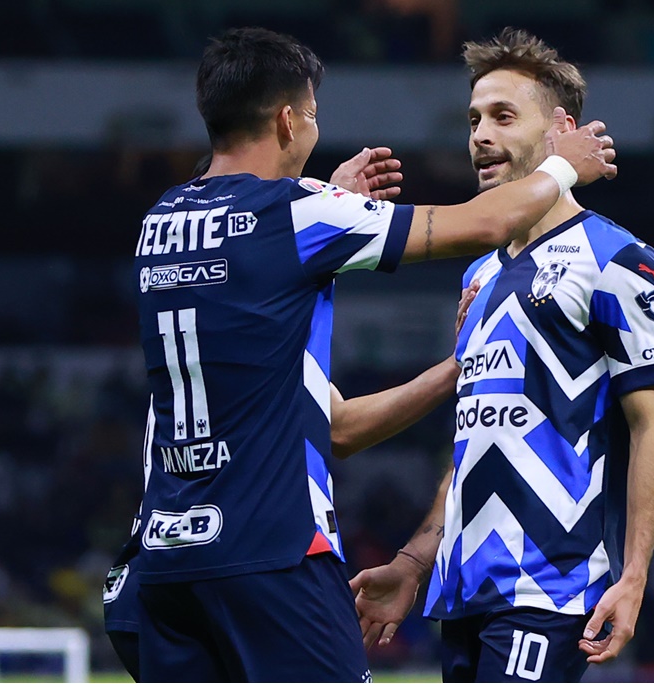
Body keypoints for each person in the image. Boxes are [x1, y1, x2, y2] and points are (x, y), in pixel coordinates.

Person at [128, 27, 615, 682]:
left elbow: (339, 426)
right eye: (312, 114)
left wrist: (455, 367)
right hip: (273, 553)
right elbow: (482, 222)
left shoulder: (162, 220)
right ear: (287, 119)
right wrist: (564, 166)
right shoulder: (301, 213)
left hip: (166, 565)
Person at [349, 28, 654, 682]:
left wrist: (634, 575)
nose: (478, 135)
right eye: (472, 119)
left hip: (549, 587)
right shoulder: (478, 274)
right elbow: (476, 438)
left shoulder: (620, 262)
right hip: (465, 592)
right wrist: (417, 561)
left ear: (561, 130)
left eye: (502, 116)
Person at [105, 283, 482, 681]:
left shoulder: (209, 327)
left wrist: (457, 365)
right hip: (255, 565)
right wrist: (463, 362)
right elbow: (343, 429)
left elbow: (337, 422)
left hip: (155, 569)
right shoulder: (258, 329)